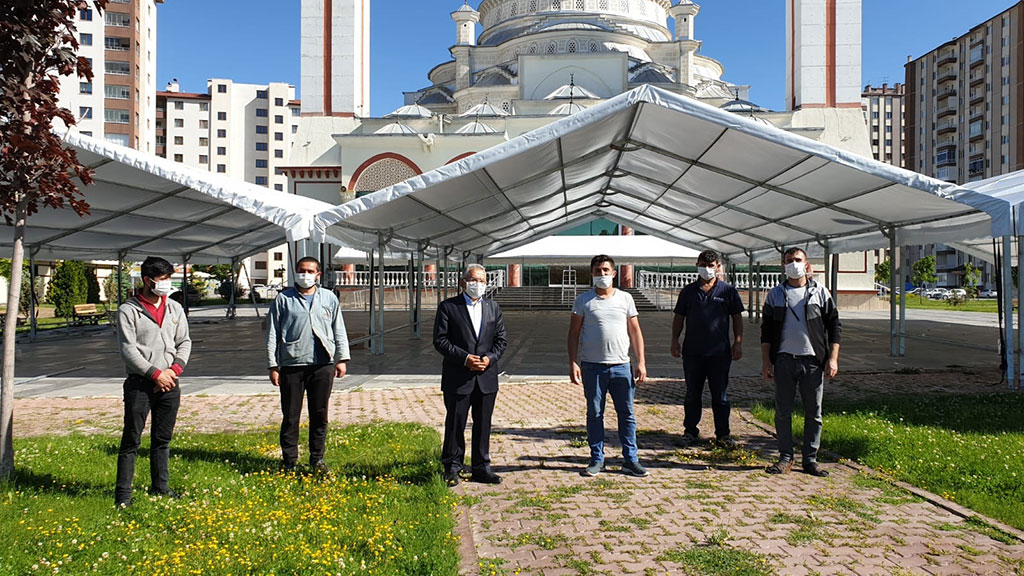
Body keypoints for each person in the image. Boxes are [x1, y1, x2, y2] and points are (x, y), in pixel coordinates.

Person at [115, 256, 192, 508]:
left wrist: (174, 369)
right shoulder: (129, 310)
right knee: (131, 439)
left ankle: (161, 486)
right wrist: (155, 374)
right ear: (147, 281)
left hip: (170, 382)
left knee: (162, 440)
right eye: (162, 279)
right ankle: (123, 495)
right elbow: (129, 350)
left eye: (169, 279)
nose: (167, 284)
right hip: (141, 383)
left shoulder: (174, 308)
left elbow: (184, 341)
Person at [760, 247, 841, 477]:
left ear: (806, 265)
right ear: (783, 266)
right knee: (782, 411)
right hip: (784, 361)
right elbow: (766, 332)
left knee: (814, 412)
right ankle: (785, 457)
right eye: (789, 261)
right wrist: (766, 362)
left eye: (797, 260)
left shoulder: (820, 293)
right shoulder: (775, 294)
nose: (793, 264)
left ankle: (810, 459)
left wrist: (833, 358)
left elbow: (834, 326)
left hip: (813, 362)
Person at [266, 256, 350, 473]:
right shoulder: (284, 299)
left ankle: (317, 458)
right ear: (296, 272)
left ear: (318, 274)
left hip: (323, 364)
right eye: (302, 270)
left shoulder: (329, 298)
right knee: (291, 415)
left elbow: (338, 328)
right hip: (292, 364)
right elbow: (272, 333)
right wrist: (273, 365)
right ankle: (289, 460)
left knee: (320, 413)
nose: (306, 275)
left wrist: (342, 358)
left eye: (310, 271)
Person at [568, 255, 648, 478]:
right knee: (595, 413)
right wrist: (573, 362)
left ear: (614, 273)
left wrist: (640, 362)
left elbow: (635, 331)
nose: (601, 274)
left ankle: (631, 460)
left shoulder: (625, 299)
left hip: (621, 366)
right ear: (592, 274)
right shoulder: (583, 300)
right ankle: (597, 459)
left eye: (605, 270)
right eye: (597, 270)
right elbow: (573, 334)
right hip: (592, 367)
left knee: (627, 414)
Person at [433, 264, 508, 486]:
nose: (479, 285)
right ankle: (452, 466)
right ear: (463, 282)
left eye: (483, 281)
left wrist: (489, 358)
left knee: (483, 423)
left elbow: (501, 340)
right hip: (459, 375)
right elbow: (440, 340)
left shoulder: (493, 307)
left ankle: (481, 467)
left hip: (486, 377)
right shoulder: (448, 307)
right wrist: (465, 358)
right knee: (456, 422)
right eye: (475, 280)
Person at [670, 250, 744, 448]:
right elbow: (679, 317)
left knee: (720, 396)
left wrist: (738, 342)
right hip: (693, 353)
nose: (707, 269)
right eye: (704, 265)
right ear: (697, 264)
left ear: (718, 267)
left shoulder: (728, 291)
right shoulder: (688, 292)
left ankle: (723, 434)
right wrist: (674, 340)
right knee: (693, 394)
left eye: (711, 266)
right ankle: (690, 431)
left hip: (719, 354)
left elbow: (737, 317)